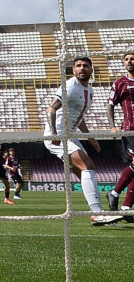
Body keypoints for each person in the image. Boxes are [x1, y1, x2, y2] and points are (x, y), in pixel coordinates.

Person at [44, 57, 120, 225]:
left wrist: (90, 136)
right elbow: (51, 108)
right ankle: (98, 213)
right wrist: (54, 133)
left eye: (85, 66)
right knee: (88, 165)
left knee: (84, 171)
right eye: (78, 66)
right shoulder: (70, 86)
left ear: (91, 70)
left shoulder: (90, 90)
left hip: (71, 134)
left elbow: (79, 116)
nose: (82, 68)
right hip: (58, 135)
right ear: (73, 71)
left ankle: (98, 214)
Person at [106, 52, 134, 215]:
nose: (129, 62)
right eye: (126, 59)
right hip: (130, 130)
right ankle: (115, 193)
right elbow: (110, 105)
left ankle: (126, 207)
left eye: (132, 59)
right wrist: (112, 126)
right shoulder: (119, 83)